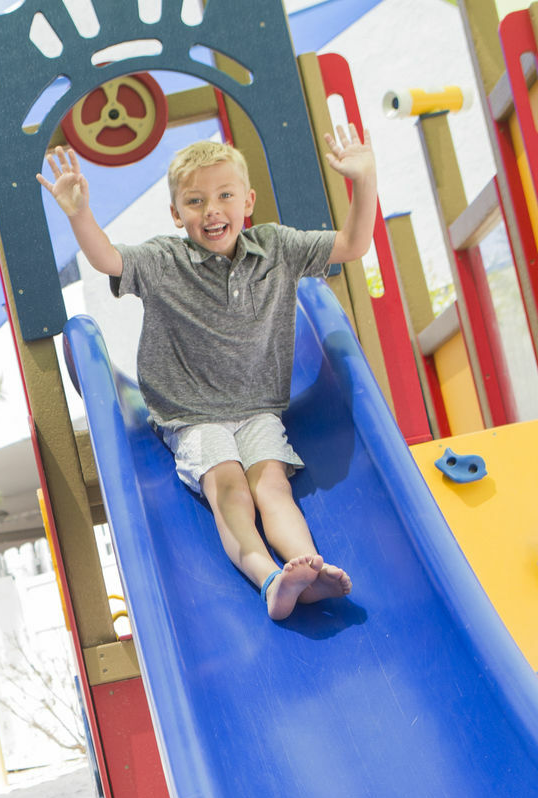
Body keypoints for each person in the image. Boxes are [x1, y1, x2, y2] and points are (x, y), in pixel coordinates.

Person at [39, 127, 379, 620]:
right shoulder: (165, 260)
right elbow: (107, 258)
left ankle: (308, 568)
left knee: (272, 487)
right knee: (230, 486)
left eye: (224, 195)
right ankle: (269, 580)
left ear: (248, 201)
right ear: (177, 214)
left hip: (258, 409)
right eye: (194, 201)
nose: (211, 210)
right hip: (191, 416)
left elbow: (351, 244)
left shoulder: (276, 247)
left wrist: (364, 180)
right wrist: (79, 213)